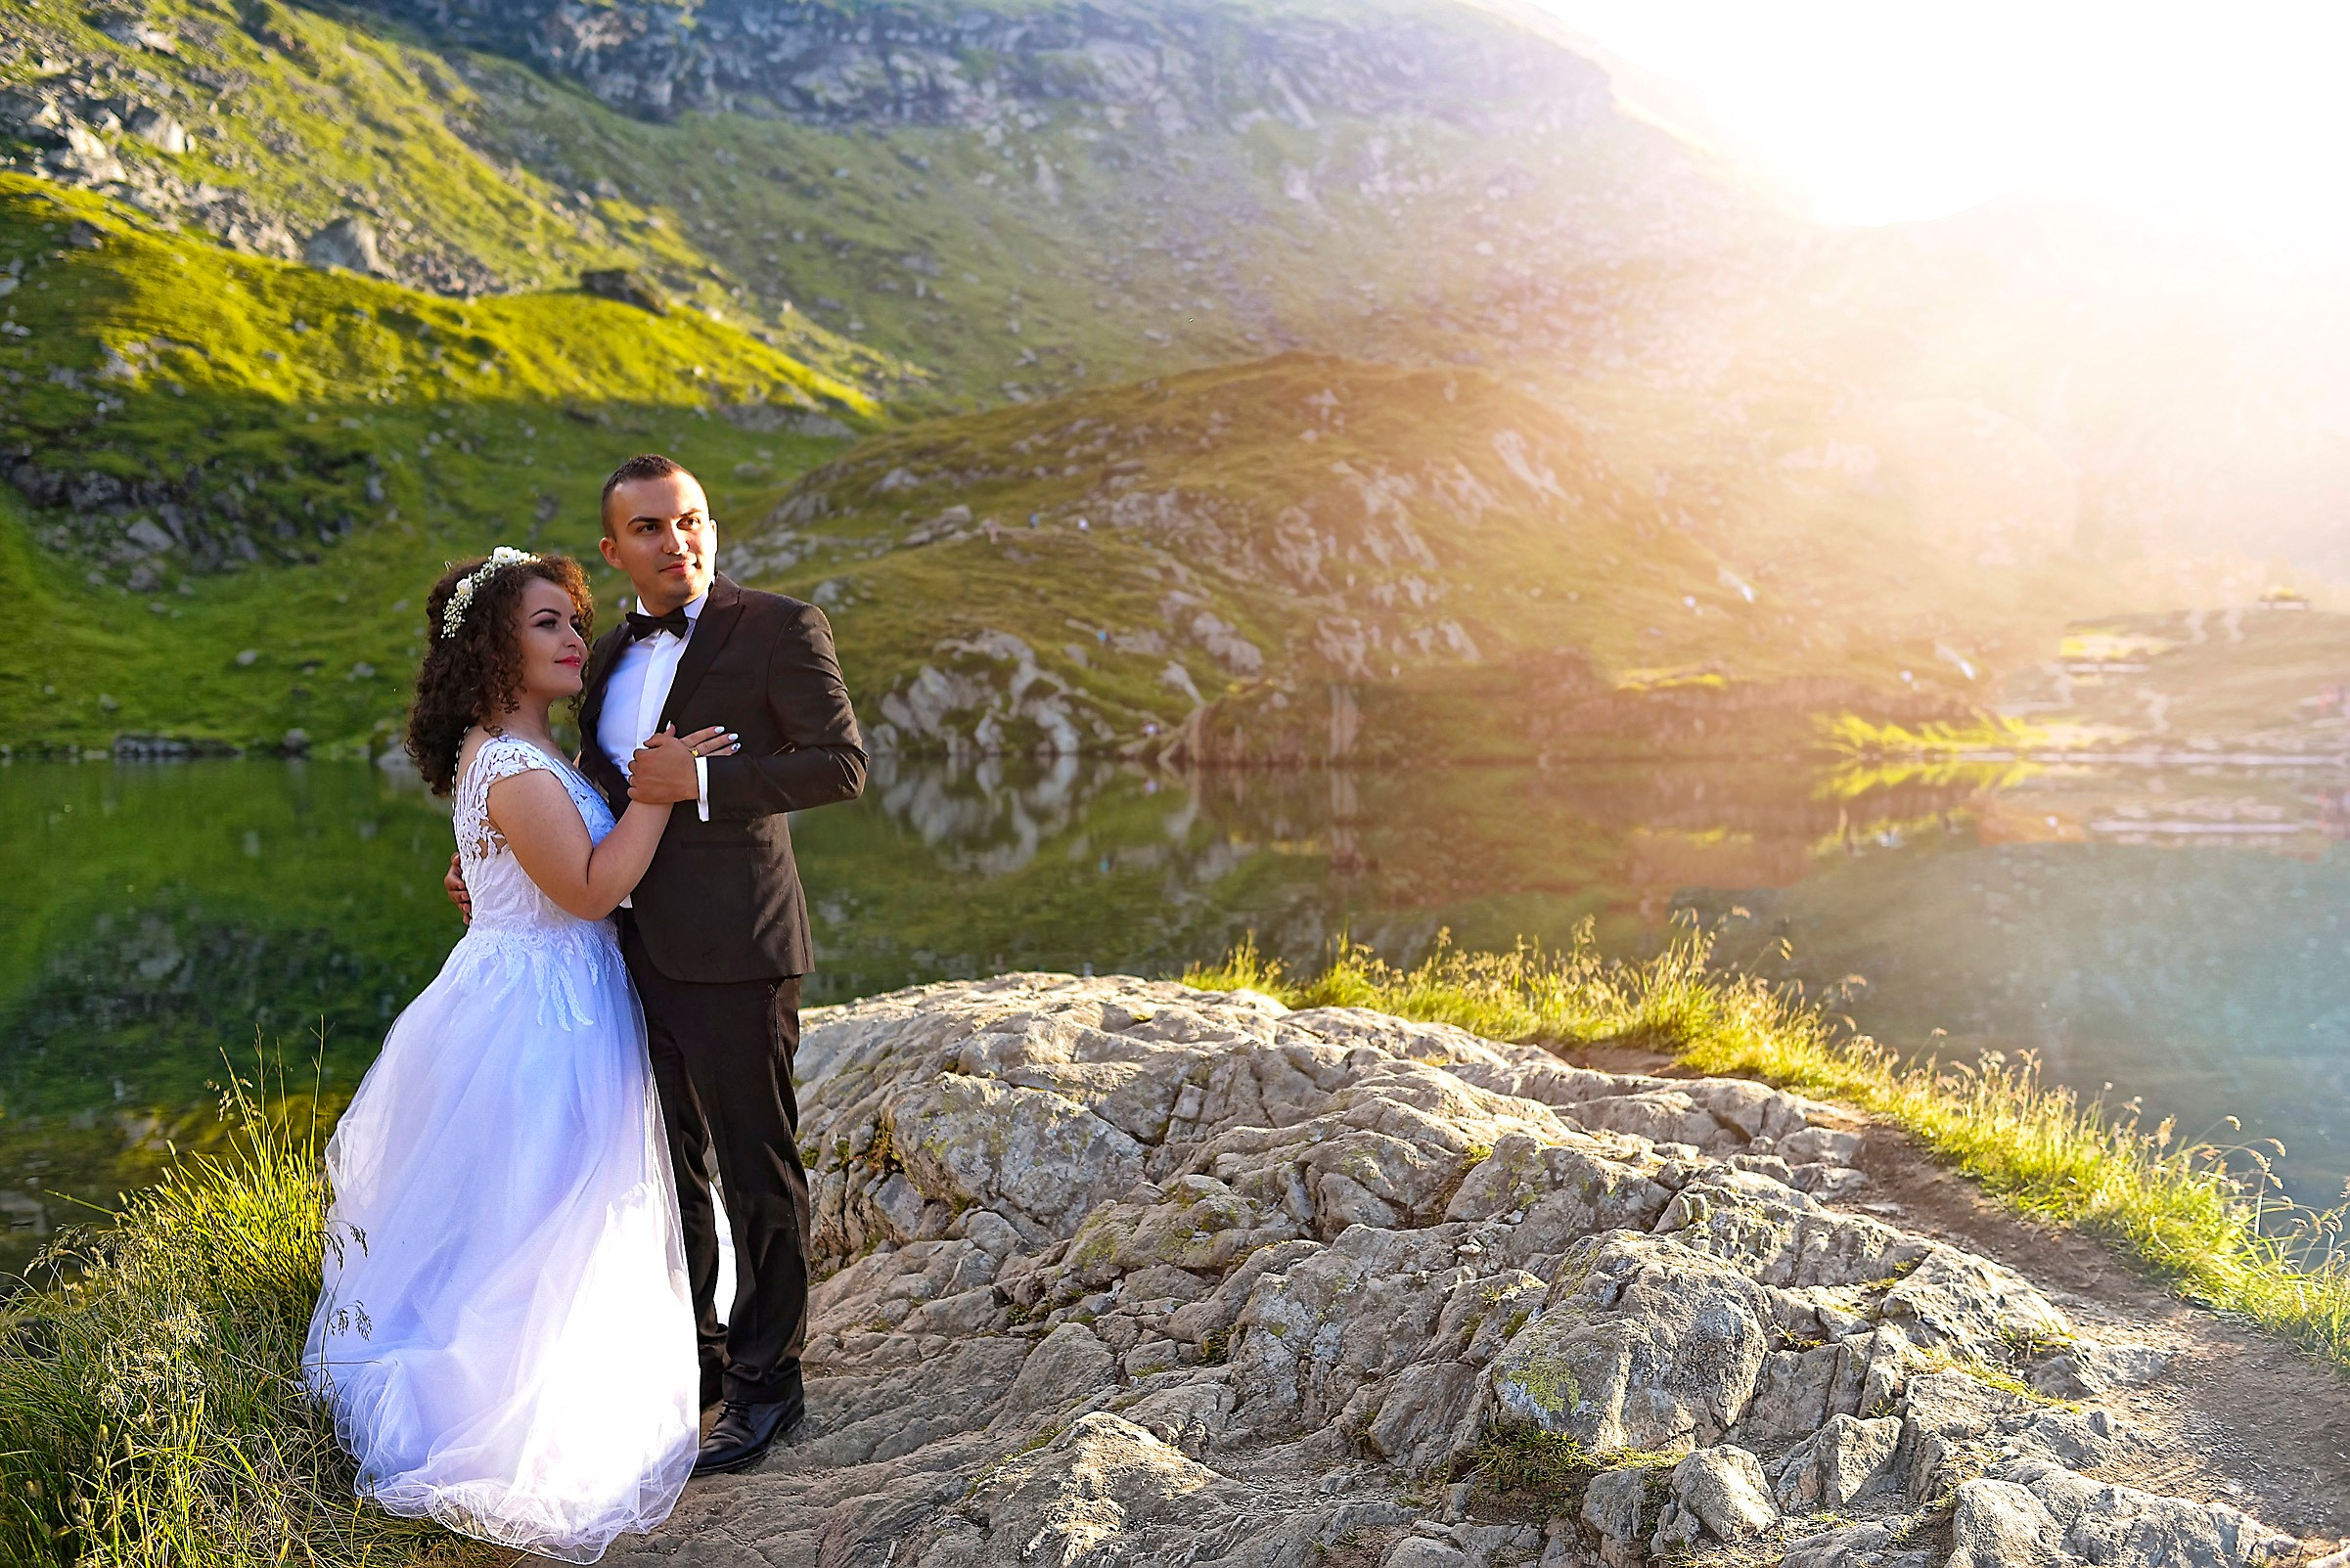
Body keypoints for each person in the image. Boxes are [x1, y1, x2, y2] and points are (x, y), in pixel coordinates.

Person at [307, 548, 740, 1561]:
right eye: (547, 622)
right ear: (493, 644)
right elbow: (590, 889)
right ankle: (505, 1413)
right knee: (541, 1214)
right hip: (542, 1014)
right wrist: (658, 791)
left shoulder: (523, 756)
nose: (572, 638)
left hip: (555, 990)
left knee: (549, 1213)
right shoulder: (505, 761)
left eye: (574, 620)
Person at [445, 454, 865, 1476]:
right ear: (613, 550)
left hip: (738, 951)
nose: (676, 542)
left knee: (757, 1166)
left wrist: (707, 781)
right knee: (669, 1170)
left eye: (689, 521)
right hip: (627, 952)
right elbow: (588, 789)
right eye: (649, 528)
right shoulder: (611, 658)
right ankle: (705, 1361)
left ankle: (772, 1387)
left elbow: (840, 764)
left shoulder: (777, 626)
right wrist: (495, 856)